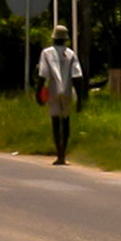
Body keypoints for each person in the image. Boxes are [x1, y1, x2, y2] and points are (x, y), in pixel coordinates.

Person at [37, 26, 84, 165]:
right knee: (66, 121)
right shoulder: (70, 54)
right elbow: (77, 76)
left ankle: (59, 154)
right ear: (66, 39)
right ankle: (64, 154)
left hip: (53, 91)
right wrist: (80, 99)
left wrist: (38, 93)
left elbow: (42, 75)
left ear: (53, 38)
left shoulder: (46, 53)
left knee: (55, 122)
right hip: (68, 91)